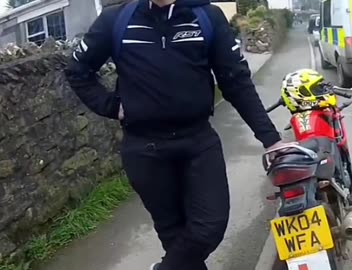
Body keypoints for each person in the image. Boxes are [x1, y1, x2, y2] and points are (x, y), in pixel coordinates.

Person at [64, 0, 285, 269]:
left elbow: (235, 80)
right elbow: (78, 71)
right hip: (144, 149)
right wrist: (111, 106)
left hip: (198, 142)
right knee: (176, 236)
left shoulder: (206, 17)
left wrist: (270, 138)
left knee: (209, 227)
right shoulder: (116, 20)